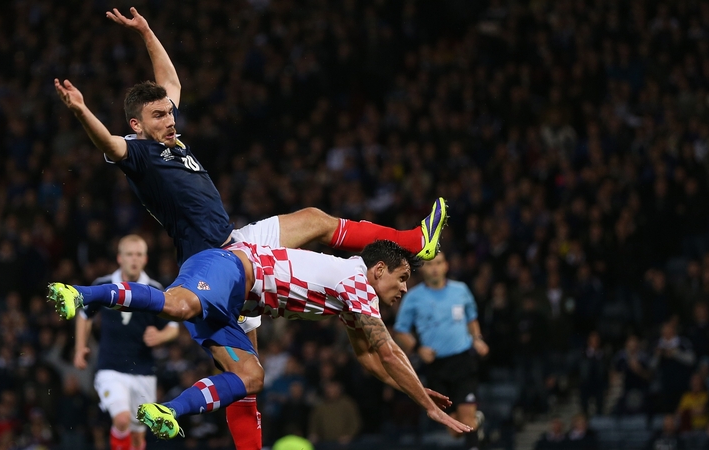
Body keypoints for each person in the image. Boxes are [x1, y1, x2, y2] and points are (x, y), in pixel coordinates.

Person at [58, 7, 449, 449]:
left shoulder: (170, 138)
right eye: (159, 117)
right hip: (214, 265)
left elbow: (171, 84)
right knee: (245, 375)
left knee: (314, 222)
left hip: (238, 244)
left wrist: (147, 32)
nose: (170, 120)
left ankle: (416, 242)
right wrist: (81, 111)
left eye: (170, 114)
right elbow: (106, 143)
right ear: (136, 125)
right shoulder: (138, 154)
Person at [46, 240, 472, 440]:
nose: (402, 290)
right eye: (401, 279)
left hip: (234, 306)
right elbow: (388, 350)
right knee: (177, 307)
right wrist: (427, 406)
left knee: (251, 376)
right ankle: (83, 293)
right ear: (380, 269)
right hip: (228, 268)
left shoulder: (348, 295)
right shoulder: (357, 281)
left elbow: (368, 357)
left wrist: (411, 387)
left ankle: (169, 411)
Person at [73, 235, 179, 450]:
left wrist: (160, 336)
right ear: (119, 258)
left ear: (145, 259)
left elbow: (173, 327)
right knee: (122, 420)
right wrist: (79, 348)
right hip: (110, 368)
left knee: (138, 437)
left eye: (138, 254)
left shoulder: (155, 288)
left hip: (143, 371)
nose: (134, 259)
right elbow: (85, 315)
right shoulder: (103, 285)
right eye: (129, 254)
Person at [392, 252, 488, 450]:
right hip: (436, 366)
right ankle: (477, 420)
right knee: (454, 430)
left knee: (466, 418)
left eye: (438, 263)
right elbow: (401, 330)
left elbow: (472, 318)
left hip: (463, 362)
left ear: (446, 266)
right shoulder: (413, 297)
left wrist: (477, 339)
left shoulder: (461, 290)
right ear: (423, 269)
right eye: (429, 264)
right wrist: (418, 348)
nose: (434, 268)